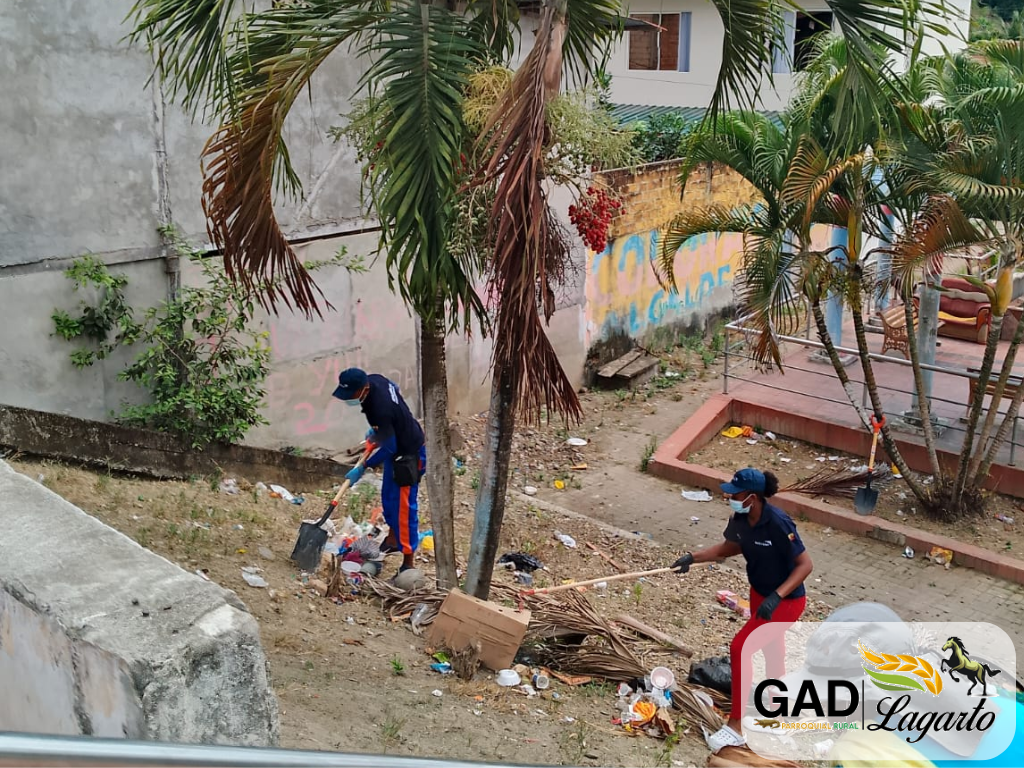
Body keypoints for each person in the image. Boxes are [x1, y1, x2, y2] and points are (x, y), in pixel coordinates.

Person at [671, 467, 813, 753]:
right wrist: (692, 557)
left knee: (740, 648)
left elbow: (805, 565)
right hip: (759, 594)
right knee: (773, 652)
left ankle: (735, 729)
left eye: (735, 494)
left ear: (753, 497)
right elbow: (729, 548)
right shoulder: (740, 518)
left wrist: (777, 596)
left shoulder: (778, 522)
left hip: (785, 603)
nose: (730, 498)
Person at [332, 368, 426, 573]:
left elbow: (389, 447)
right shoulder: (375, 380)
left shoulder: (379, 408)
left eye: (350, 394)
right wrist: (379, 432)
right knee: (389, 501)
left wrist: (364, 466)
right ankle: (392, 541)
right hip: (396, 448)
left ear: (363, 389)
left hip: (408, 453)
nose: (348, 398)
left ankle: (408, 562)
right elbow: (395, 388)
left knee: (404, 510)